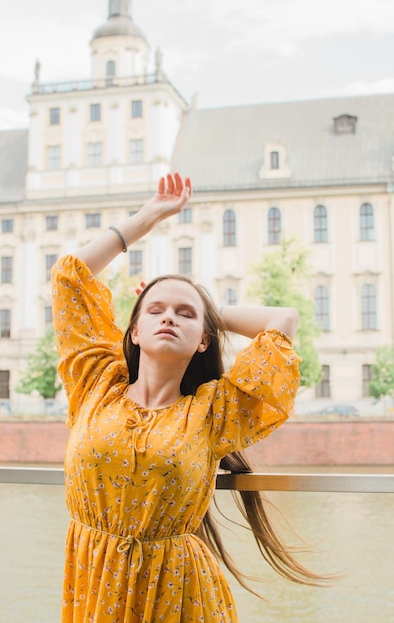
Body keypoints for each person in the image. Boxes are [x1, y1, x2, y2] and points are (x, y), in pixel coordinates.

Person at [51, 173, 324, 623]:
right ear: (133, 331)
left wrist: (205, 306)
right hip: (93, 582)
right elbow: (69, 278)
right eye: (154, 310)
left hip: (178, 594)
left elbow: (284, 319)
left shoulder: (213, 411)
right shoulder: (96, 383)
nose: (169, 318)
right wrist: (149, 216)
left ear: (203, 339)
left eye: (185, 315)